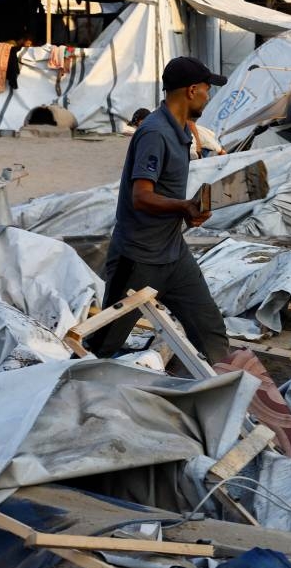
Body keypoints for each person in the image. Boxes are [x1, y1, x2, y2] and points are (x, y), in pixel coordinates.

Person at [86, 56, 230, 363]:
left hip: (174, 255)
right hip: (138, 259)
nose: (208, 96)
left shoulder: (182, 131)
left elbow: (167, 196)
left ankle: (229, 392)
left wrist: (192, 210)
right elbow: (141, 196)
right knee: (104, 345)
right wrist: (183, 206)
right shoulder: (155, 132)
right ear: (192, 91)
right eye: (207, 90)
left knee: (211, 330)